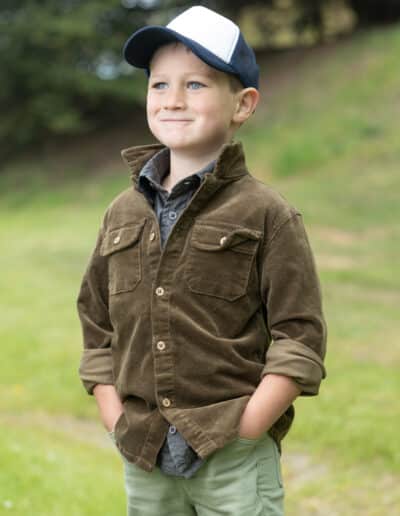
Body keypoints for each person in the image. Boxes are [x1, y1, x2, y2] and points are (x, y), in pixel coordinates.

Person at [77, 5, 327, 515]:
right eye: (159, 84)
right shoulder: (121, 213)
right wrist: (113, 414)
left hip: (230, 453)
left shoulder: (266, 214)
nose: (173, 99)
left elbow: (299, 337)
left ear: (243, 104)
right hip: (144, 453)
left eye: (195, 85)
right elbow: (96, 323)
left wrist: (249, 425)